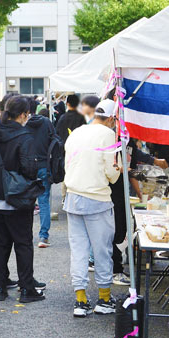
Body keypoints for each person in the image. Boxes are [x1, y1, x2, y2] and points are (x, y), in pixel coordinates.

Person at [0, 96, 45, 303]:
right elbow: (30, 169)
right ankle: (26, 289)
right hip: (18, 201)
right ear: (22, 115)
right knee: (23, 244)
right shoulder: (25, 137)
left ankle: (0, 288)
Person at [62, 98, 120, 317]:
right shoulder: (109, 135)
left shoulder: (76, 132)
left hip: (73, 197)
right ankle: (104, 299)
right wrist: (120, 168)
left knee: (79, 251)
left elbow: (68, 164)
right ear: (112, 119)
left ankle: (80, 300)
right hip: (97, 198)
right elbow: (111, 175)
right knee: (102, 250)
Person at [25, 101, 56, 248]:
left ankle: (26, 235)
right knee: (43, 202)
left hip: (28, 167)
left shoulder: (24, 124)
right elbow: (56, 141)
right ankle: (43, 237)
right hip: (44, 165)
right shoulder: (47, 123)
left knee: (27, 202)